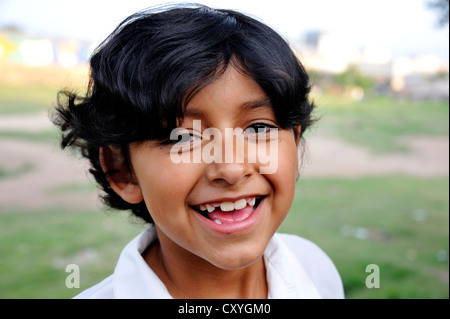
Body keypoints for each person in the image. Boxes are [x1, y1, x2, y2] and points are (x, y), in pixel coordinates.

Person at [52, 4, 344, 299]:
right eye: (183, 137)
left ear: (294, 144)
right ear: (123, 171)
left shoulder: (315, 270)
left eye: (257, 129)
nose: (231, 168)